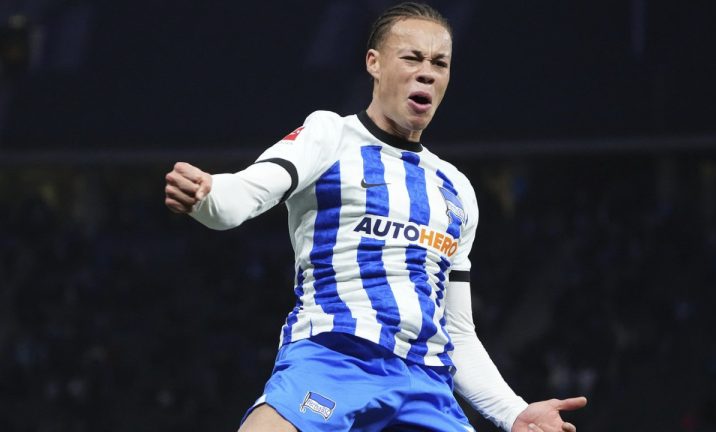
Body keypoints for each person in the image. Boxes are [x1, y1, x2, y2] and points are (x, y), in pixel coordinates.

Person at [164, 3, 586, 431]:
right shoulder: (329, 136)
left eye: (440, 63)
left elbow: (456, 332)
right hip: (334, 357)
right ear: (375, 63)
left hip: (426, 383)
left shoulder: (455, 189)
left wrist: (513, 412)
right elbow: (246, 194)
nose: (427, 72)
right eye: (412, 58)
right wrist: (208, 195)